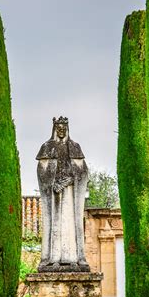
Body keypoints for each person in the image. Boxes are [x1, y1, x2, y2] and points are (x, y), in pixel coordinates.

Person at [36, 116, 90, 272]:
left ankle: (72, 258)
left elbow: (83, 172)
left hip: (71, 192)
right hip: (54, 193)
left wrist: (70, 180)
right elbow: (42, 171)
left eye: (63, 128)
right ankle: (53, 259)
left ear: (67, 129)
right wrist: (52, 183)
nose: (61, 131)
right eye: (58, 128)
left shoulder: (75, 147)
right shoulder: (47, 147)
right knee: (54, 224)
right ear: (54, 129)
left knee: (70, 223)